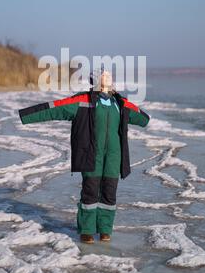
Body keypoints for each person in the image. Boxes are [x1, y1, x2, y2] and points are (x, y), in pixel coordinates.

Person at [18, 69, 150, 244]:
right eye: (104, 73)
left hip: (114, 155)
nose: (108, 75)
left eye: (110, 74)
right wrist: (26, 115)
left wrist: (145, 117)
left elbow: (143, 118)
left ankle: (105, 230)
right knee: (90, 192)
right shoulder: (83, 101)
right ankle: (86, 231)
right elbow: (55, 107)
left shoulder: (120, 102)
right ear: (96, 79)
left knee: (109, 193)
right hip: (91, 154)